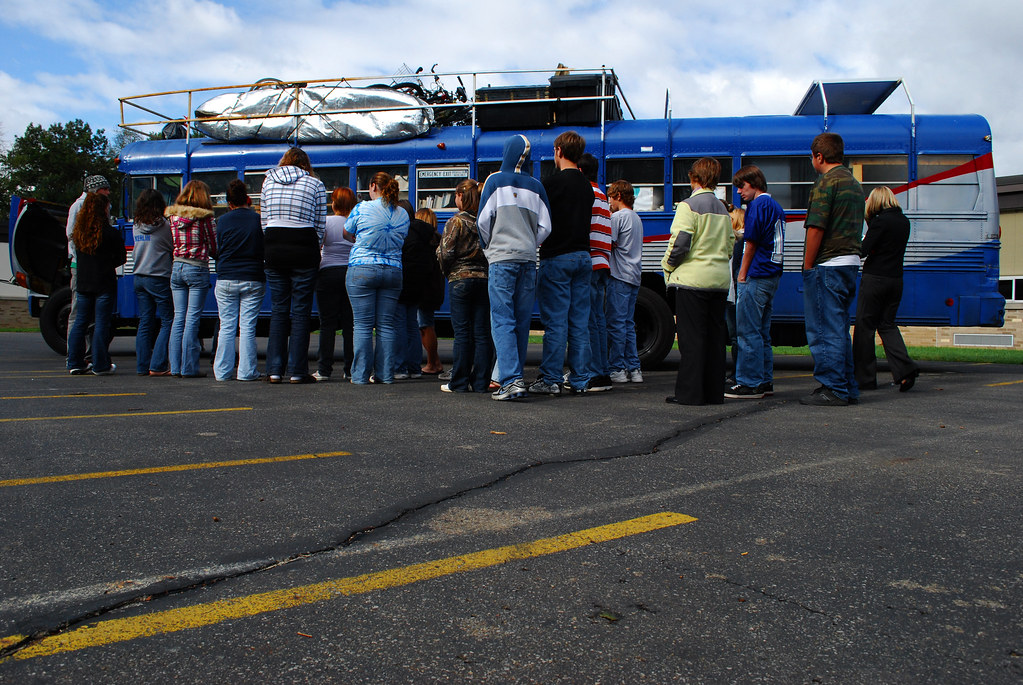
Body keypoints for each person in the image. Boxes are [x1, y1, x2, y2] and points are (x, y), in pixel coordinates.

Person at [477, 134, 552, 401]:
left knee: (502, 319)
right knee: (521, 321)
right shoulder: (537, 186)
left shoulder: (494, 181)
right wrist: (530, 243)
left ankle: (510, 380)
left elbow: (483, 222)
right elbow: (546, 227)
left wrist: (490, 248)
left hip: (501, 258)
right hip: (528, 259)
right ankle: (515, 377)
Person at [661, 157, 735, 405]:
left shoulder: (688, 205)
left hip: (693, 281)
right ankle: (714, 392)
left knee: (691, 339)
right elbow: (730, 245)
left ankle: (690, 393)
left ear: (694, 178)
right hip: (719, 281)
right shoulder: (723, 209)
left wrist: (667, 266)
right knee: (715, 339)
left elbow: (680, 243)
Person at [800, 133, 864, 406]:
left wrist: (807, 265)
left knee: (824, 330)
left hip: (828, 264)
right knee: (839, 329)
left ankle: (833, 388)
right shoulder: (854, 183)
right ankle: (847, 387)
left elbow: (816, 227)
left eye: (812, 157)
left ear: (819, 156)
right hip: (850, 262)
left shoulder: (825, 183)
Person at [533, 130, 594, 395]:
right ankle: (580, 380)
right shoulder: (587, 186)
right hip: (583, 256)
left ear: (558, 150)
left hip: (557, 256)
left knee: (556, 322)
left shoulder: (550, 184)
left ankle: (551, 379)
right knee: (579, 323)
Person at [261, 147, 327, 384]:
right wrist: (312, 246)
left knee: (279, 309)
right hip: (304, 246)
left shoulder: (268, 181)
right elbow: (320, 224)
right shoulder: (315, 184)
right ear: (305, 164)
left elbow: (264, 221)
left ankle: (274, 370)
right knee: (301, 311)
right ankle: (298, 371)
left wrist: (273, 242)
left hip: (275, 246)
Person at [726, 165, 786, 399]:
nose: (739, 191)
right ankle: (764, 379)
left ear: (754, 183)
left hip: (757, 273)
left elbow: (751, 243)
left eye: (742, 186)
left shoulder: (757, 205)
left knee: (747, 331)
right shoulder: (775, 206)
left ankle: (749, 382)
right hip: (772, 272)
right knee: (762, 333)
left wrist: (742, 274)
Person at [344, 171, 409, 384]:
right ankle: (385, 375)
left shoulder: (362, 208)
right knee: (386, 325)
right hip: (393, 270)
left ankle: (360, 376)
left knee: (362, 325)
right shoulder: (403, 213)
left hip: (362, 268)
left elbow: (346, 232)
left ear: (373, 186)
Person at [853, 186, 920, 392]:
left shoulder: (880, 222)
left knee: (864, 328)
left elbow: (863, 250)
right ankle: (905, 370)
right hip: (896, 280)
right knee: (887, 325)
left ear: (875, 202)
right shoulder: (904, 221)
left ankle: (864, 379)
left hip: (875, 279)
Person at [437, 179, 491, 392]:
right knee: (482, 333)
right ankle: (481, 382)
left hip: (460, 278)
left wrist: (448, 272)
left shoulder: (456, 221)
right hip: (483, 279)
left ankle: (459, 382)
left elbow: (446, 252)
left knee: (462, 332)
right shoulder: (485, 221)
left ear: (461, 196)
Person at [66, 192, 126, 375]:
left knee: (80, 322)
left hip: (84, 282)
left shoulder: (79, 234)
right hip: (104, 282)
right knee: (101, 323)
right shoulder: (110, 233)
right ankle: (100, 364)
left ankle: (74, 362)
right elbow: (121, 257)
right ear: (103, 209)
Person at [213, 179, 265, 382]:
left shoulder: (222, 221)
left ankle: (222, 372)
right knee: (247, 327)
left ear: (229, 203)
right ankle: (246, 372)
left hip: (226, 276)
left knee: (226, 326)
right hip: (252, 276)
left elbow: (218, 248)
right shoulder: (257, 219)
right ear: (248, 199)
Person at [166, 180, 217, 378]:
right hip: (196, 268)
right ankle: (189, 368)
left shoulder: (172, 217)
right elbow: (214, 246)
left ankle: (175, 366)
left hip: (176, 267)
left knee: (178, 317)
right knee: (192, 318)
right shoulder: (205, 218)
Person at [313, 186, 357, 381]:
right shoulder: (355, 222)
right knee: (350, 324)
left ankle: (324, 369)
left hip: (328, 273)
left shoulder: (326, 221)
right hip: (350, 272)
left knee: (327, 323)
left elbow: (319, 245)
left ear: (334, 203)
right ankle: (350, 368)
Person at [66, 174, 110, 362]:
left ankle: (89, 354)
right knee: (78, 313)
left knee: (89, 316)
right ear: (95, 190)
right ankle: (74, 353)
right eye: (105, 189)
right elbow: (71, 234)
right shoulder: (78, 206)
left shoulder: (103, 206)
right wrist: (84, 255)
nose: (108, 192)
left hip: (90, 265)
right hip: (81, 265)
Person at [393, 201, 439, 379]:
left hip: (402, 281)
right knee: (413, 324)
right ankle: (414, 367)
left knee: (399, 324)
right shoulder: (424, 233)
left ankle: (400, 367)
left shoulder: (403, 232)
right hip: (419, 284)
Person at [131, 189, 174, 376]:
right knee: (168, 320)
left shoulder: (136, 224)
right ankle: (157, 365)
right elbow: (172, 246)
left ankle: (142, 365)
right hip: (158, 276)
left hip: (138, 276)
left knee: (145, 322)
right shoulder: (165, 226)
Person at [579, 153, 613, 392]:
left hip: (590, 261)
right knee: (599, 319)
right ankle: (603, 370)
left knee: (589, 320)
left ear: (580, 171)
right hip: (603, 262)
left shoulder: (586, 194)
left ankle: (594, 372)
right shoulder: (602, 195)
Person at [606, 179, 644, 384]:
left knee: (616, 324)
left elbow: (609, 243)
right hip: (634, 275)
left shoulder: (617, 217)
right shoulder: (636, 218)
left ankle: (617, 368)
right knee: (628, 324)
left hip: (619, 275)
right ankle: (634, 368)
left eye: (610, 198)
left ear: (618, 196)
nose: (609, 202)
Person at [414, 207, 446, 376]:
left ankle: (432, 363)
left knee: (425, 325)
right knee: (425, 324)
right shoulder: (438, 240)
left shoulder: (424, 242)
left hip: (424, 289)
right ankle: (435, 361)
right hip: (435, 288)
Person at [724, 203, 745, 376]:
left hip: (734, 293)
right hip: (737, 292)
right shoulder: (742, 241)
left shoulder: (737, 241)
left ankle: (738, 372)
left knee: (735, 335)